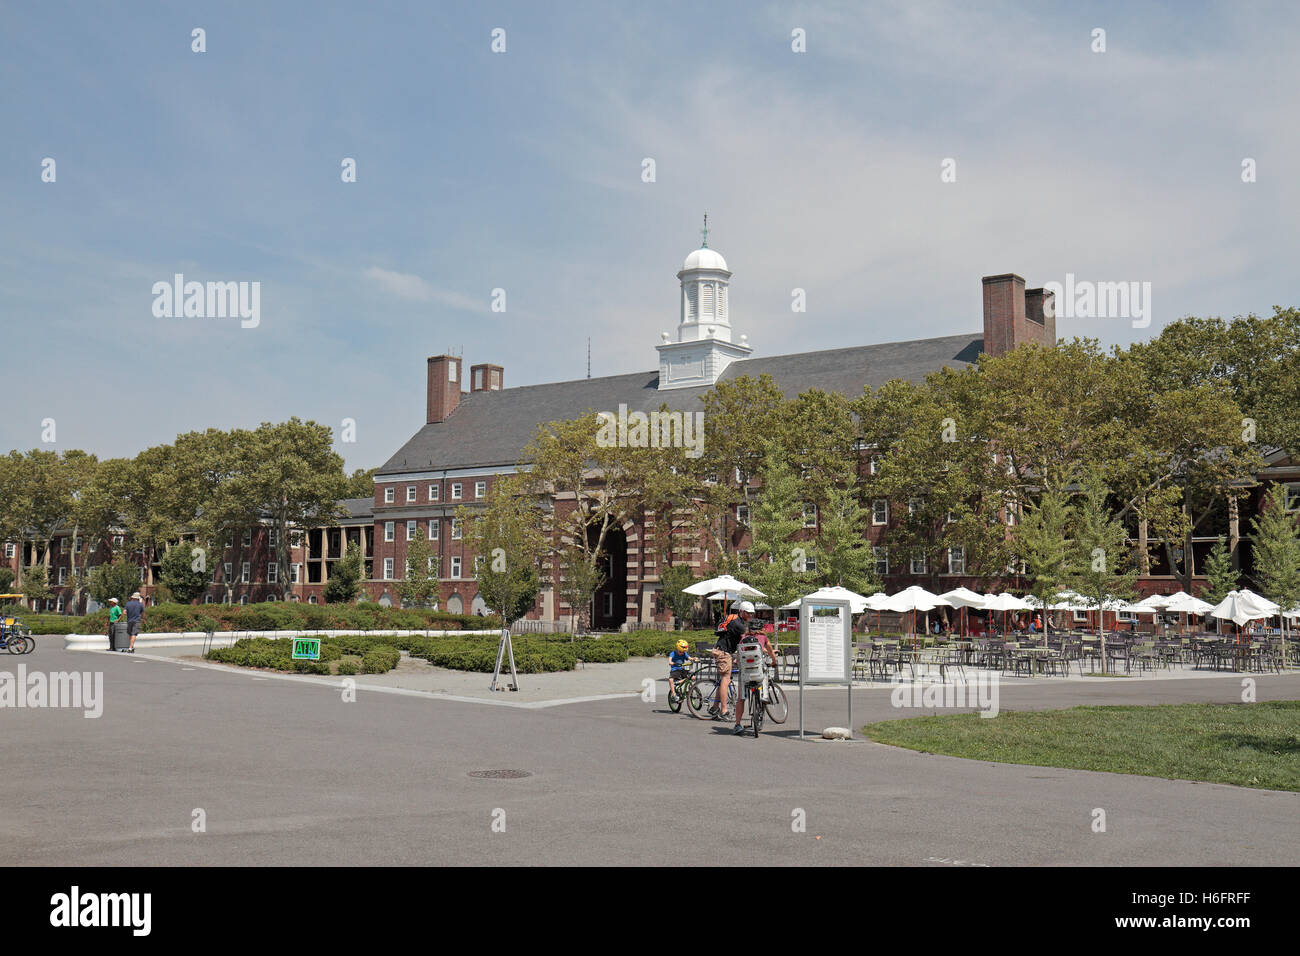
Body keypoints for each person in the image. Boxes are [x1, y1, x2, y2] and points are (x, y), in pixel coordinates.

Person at [733, 605, 779, 736]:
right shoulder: (763, 638)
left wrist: (737, 661)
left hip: (745, 674)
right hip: (758, 673)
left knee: (741, 698)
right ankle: (764, 696)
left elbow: (738, 654)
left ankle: (737, 724)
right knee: (763, 675)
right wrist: (774, 661)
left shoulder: (743, 639)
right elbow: (769, 651)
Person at [710, 602, 750, 723]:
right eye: (748, 613)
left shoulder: (737, 621)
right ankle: (724, 711)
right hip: (724, 652)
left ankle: (715, 708)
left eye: (752, 614)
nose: (750, 616)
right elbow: (746, 641)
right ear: (742, 612)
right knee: (726, 679)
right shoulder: (739, 625)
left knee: (724, 680)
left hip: (723, 651)